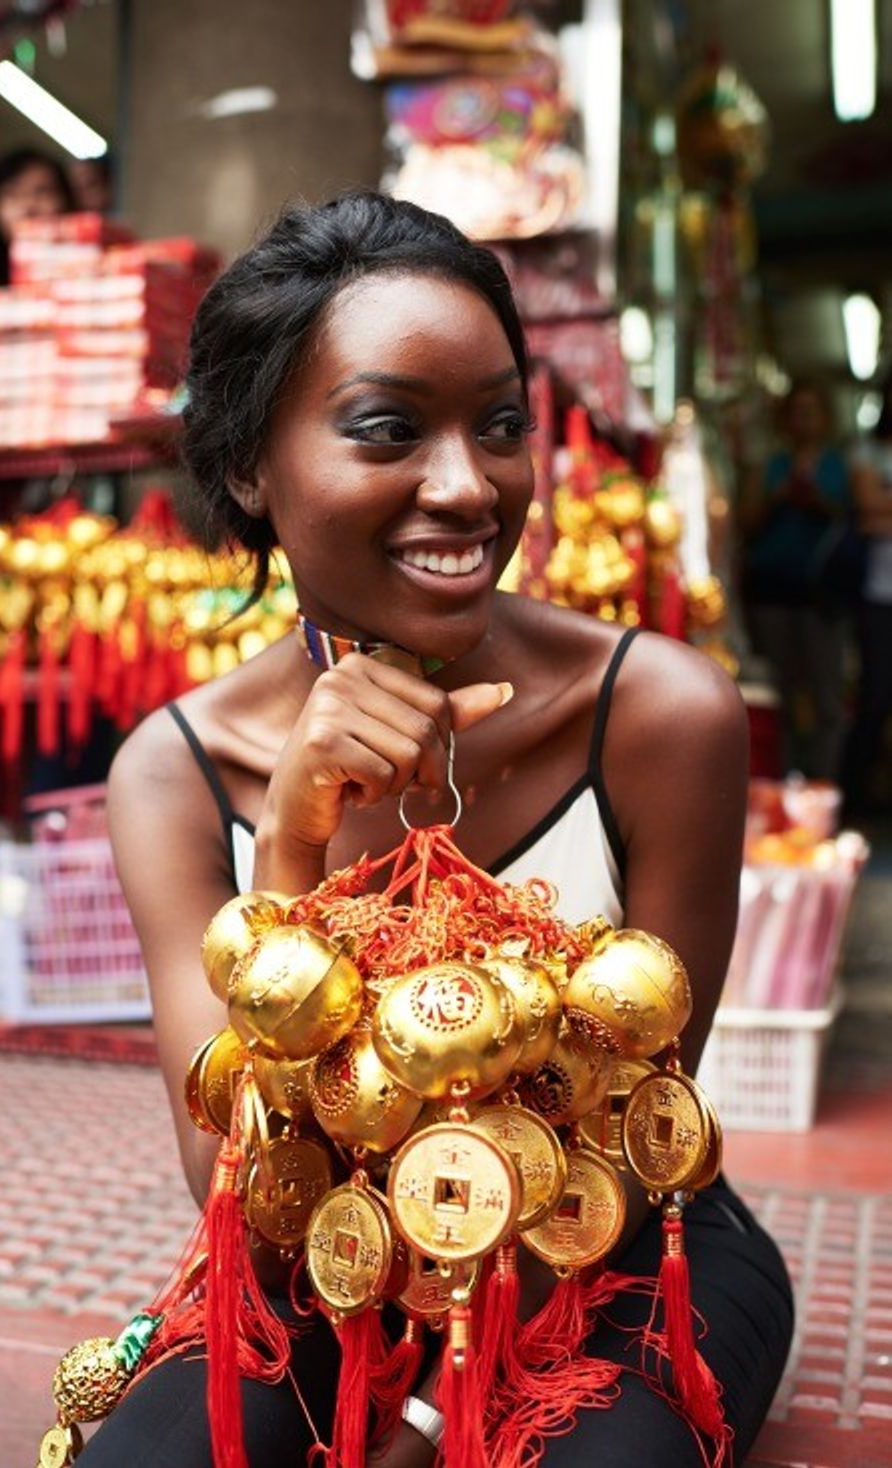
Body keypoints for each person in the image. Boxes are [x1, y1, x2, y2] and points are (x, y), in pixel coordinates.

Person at [92, 192, 792, 1467]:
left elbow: (641, 1136)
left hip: (616, 1246)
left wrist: (428, 1410)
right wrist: (293, 850)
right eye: (388, 430)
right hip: (321, 1263)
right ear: (251, 465)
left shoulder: (653, 715)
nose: (469, 487)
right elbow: (232, 1198)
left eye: (501, 426)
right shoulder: (175, 771)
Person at [740, 381, 854, 780]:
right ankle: (780, 789)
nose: (804, 419)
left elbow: (854, 519)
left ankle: (825, 788)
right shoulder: (771, 465)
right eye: (797, 411)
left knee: (826, 697)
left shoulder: (841, 466)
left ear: (825, 418)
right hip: (773, 590)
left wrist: (819, 502)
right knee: (779, 696)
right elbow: (747, 521)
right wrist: (780, 497)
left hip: (822, 594)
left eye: (812, 410)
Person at [842, 374, 892, 816]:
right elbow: (867, 507)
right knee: (875, 696)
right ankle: (856, 797)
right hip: (878, 594)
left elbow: (878, 512)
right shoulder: (867, 451)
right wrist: (875, 514)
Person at [0, 145, 74, 291]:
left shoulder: (93, 270)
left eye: (41, 192)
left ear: (67, 200)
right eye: (13, 195)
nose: (27, 207)